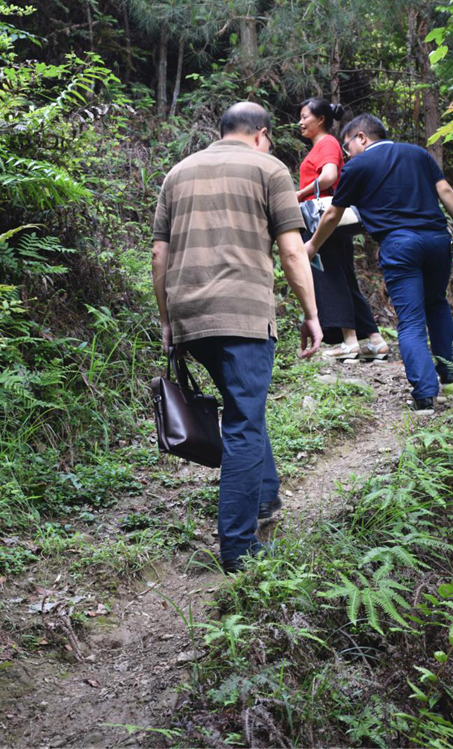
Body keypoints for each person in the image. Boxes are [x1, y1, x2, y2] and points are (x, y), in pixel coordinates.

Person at [152, 102, 322, 572]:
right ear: (261, 134)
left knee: (243, 404)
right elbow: (291, 250)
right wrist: (311, 313)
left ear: (221, 130)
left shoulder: (178, 172)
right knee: (245, 422)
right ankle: (238, 549)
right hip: (243, 316)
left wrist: (167, 321)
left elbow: (159, 255)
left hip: (189, 315)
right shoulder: (270, 169)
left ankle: (265, 498)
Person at [305, 113, 453, 414]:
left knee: (411, 318)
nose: (347, 155)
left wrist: (312, 245)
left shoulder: (359, 165)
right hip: (438, 240)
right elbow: (446, 191)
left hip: (400, 245)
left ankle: (425, 395)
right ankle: (451, 379)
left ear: (362, 138)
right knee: (437, 304)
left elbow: (332, 214)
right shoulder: (418, 153)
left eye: (347, 147)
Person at [297, 97, 388, 362]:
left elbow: (329, 176)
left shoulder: (326, 142)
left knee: (330, 277)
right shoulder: (326, 144)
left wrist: (299, 194)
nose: (300, 122)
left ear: (321, 119)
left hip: (322, 220)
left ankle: (349, 342)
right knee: (345, 278)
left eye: (305, 116)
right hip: (332, 220)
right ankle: (375, 339)